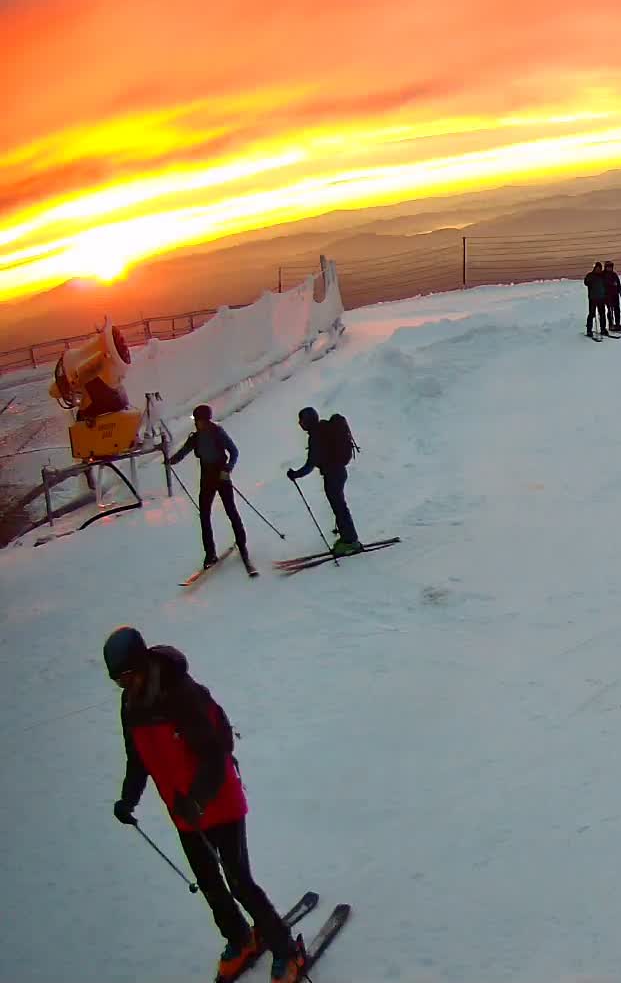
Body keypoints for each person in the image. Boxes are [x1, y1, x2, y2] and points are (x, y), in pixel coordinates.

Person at [105, 626, 309, 983]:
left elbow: (217, 752)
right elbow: (137, 759)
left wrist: (198, 800)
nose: (124, 685)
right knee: (210, 884)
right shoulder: (131, 705)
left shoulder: (181, 694)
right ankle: (239, 937)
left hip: (219, 802)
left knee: (239, 882)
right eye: (118, 681)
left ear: (140, 665)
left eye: (126, 676)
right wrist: (128, 798)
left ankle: (286, 949)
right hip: (184, 812)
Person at [166, 404, 248, 572]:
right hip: (207, 477)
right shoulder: (196, 437)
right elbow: (184, 451)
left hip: (221, 475)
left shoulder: (218, 432)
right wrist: (171, 460)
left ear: (206, 420)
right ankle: (210, 554)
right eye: (196, 420)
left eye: (198, 420)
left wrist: (228, 468)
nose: (196, 423)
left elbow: (234, 451)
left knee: (230, 510)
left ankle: (242, 544)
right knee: (204, 515)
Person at [286, 407, 359, 554]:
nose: (300, 424)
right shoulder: (324, 428)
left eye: (301, 421)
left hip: (332, 475)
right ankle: (347, 537)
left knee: (339, 508)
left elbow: (310, 464)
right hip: (338, 472)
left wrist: (296, 474)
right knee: (339, 507)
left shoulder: (316, 436)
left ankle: (350, 541)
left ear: (307, 421)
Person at [583, 262, 608, 337]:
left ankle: (603, 329)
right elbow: (586, 282)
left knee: (602, 314)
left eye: (599, 268)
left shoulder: (603, 276)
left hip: (601, 298)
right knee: (591, 314)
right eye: (597, 268)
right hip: (593, 298)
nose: (598, 270)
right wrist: (590, 280)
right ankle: (589, 330)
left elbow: (606, 285)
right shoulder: (590, 275)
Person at [602, 262, 621, 332]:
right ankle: (611, 324)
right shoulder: (603, 275)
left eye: (611, 267)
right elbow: (603, 284)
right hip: (607, 295)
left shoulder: (614, 274)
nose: (610, 268)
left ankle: (617, 323)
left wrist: (618, 289)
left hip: (615, 295)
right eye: (608, 267)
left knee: (617, 309)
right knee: (610, 310)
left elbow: (618, 283)